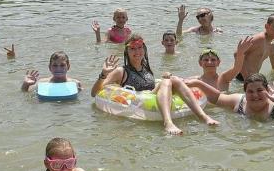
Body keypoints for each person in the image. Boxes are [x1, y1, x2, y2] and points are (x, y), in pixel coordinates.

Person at [91, 34, 219, 135]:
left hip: (152, 95)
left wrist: (165, 78)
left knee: (172, 78)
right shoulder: (121, 71)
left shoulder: (146, 68)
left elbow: (153, 86)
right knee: (167, 81)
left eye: (140, 47)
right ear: (127, 52)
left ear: (144, 49)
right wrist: (103, 74)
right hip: (139, 101)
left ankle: (203, 116)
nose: (137, 51)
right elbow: (95, 92)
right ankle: (168, 123)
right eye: (132, 49)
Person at [187, 73, 274, 125]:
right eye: (250, 92)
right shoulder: (239, 100)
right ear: (245, 93)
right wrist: (198, 83)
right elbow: (216, 98)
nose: (255, 95)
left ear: (267, 90)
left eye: (260, 90)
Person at [189, 36, 253, 92]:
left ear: (218, 62)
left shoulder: (223, 78)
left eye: (213, 60)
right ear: (200, 63)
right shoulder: (194, 81)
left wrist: (240, 53)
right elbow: (179, 83)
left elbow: (237, 69)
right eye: (206, 60)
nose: (209, 62)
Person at [236, 14, 274, 80]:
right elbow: (237, 54)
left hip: (254, 79)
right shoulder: (259, 39)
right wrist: (246, 78)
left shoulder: (272, 47)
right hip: (240, 78)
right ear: (266, 26)